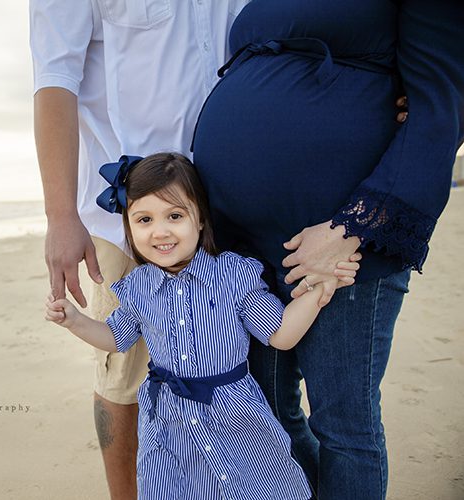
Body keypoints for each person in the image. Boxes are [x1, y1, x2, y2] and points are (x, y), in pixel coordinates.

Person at [190, 1, 464, 498]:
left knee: (343, 425)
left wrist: (349, 229)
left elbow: (440, 108)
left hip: (339, 249)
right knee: (265, 413)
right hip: (241, 246)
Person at [29, 2, 254, 497]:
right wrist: (60, 215)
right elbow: (55, 80)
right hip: (130, 219)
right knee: (124, 373)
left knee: (228, 363)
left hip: (230, 203)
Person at [45, 153, 359, 499]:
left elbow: (281, 334)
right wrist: (75, 322)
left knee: (253, 488)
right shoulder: (138, 288)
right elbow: (117, 338)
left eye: (175, 216)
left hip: (235, 418)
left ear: (199, 221)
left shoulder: (233, 276)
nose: (160, 231)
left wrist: (319, 291)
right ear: (129, 229)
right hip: (168, 423)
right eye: (144, 219)